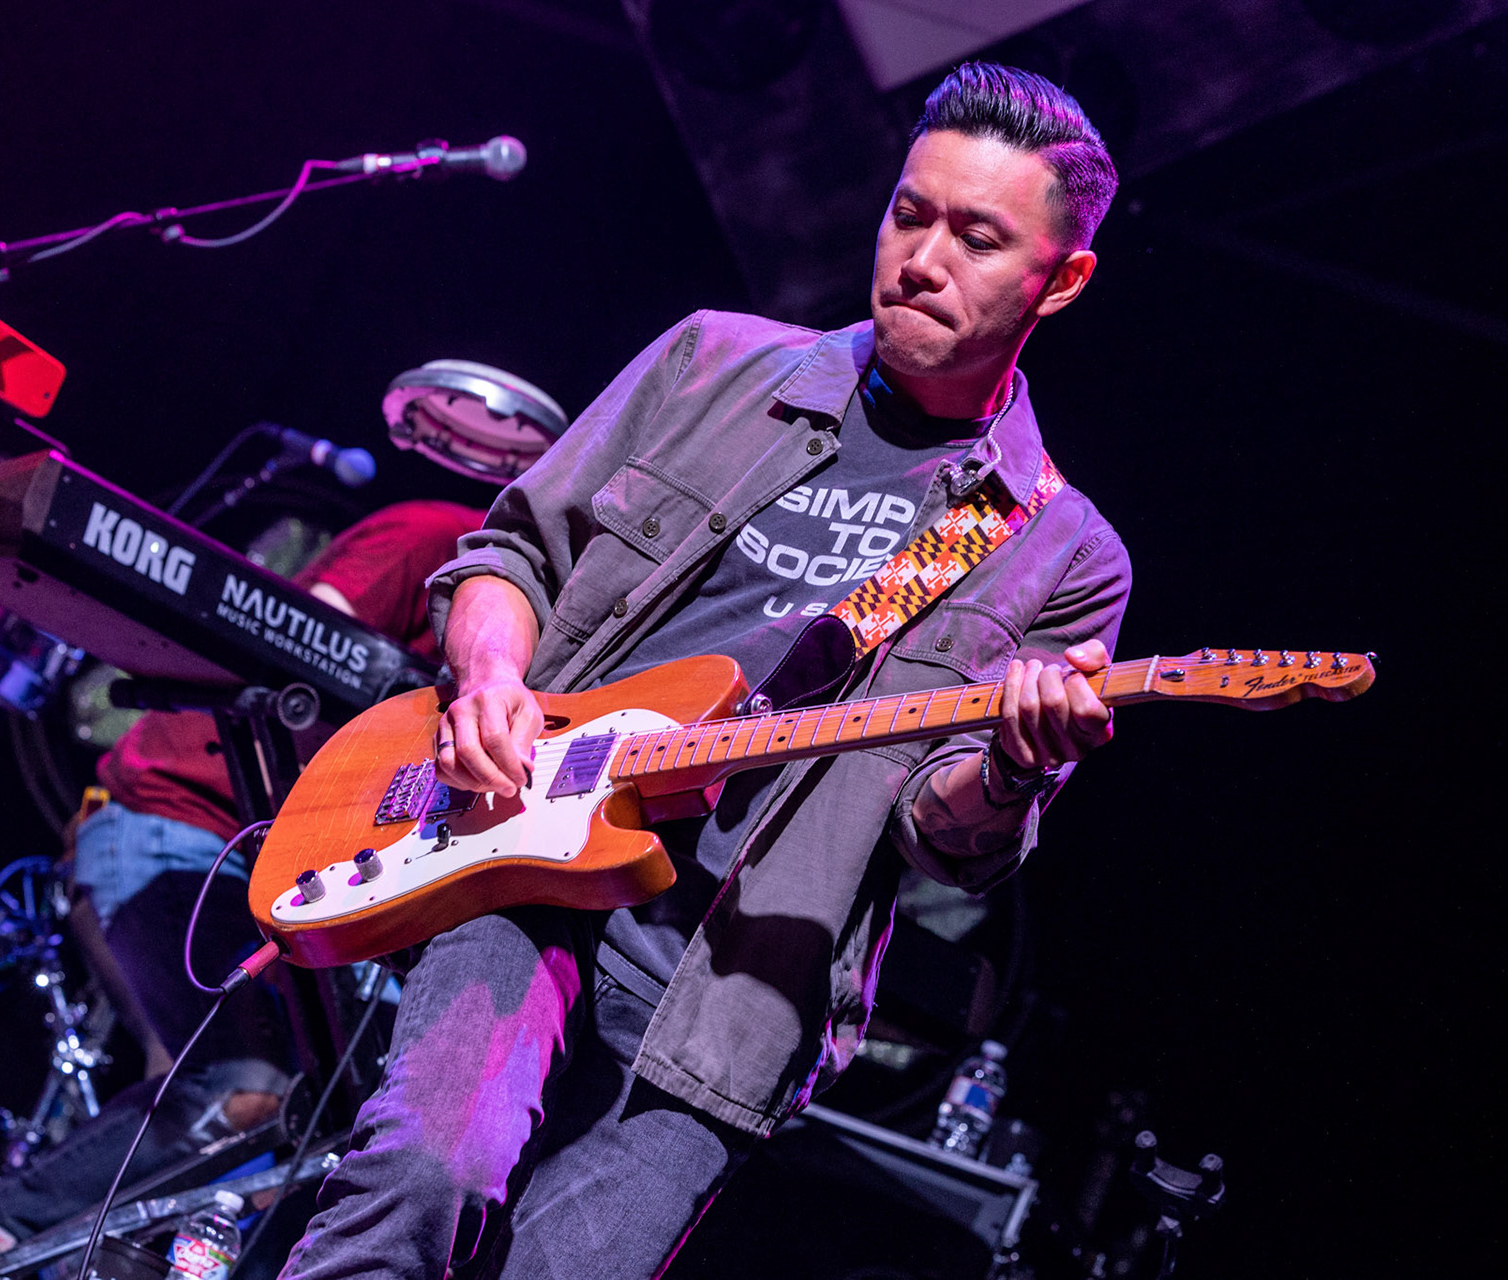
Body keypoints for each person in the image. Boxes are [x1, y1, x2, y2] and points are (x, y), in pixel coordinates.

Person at [279, 63, 1131, 1280]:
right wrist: (489, 680)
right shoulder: (714, 362)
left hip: (736, 987)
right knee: (422, 1180)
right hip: (526, 859)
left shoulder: (1059, 547)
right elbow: (510, 555)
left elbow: (945, 832)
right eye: (909, 214)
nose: (922, 259)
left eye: (978, 237)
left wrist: (1012, 765)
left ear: (1064, 279)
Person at [0, 500, 482, 1238]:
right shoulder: (437, 538)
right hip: (176, 825)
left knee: (260, 1120)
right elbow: (290, 646)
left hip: (257, 869)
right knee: (243, 1089)